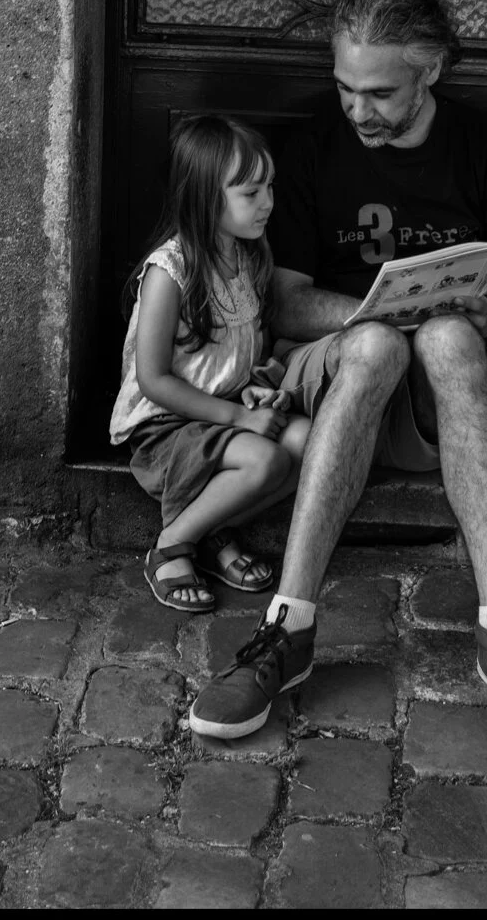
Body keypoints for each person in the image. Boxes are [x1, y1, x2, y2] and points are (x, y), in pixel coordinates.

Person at [188, 0, 487, 756]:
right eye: (344, 87)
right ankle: (286, 627)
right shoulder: (312, 150)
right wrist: (377, 311)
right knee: (380, 341)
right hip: (350, 379)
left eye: (378, 92)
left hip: (452, 398)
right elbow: (290, 304)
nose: (357, 109)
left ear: (429, 69)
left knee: (448, 336)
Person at [110, 115, 311, 613]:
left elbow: (235, 359)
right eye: (250, 192)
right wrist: (242, 417)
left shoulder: (248, 260)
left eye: (270, 186)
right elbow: (154, 380)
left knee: (309, 440)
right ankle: (171, 546)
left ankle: (213, 529)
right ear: (205, 197)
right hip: (167, 426)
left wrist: (254, 389)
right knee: (266, 457)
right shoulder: (169, 272)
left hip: (219, 417)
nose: (267, 201)